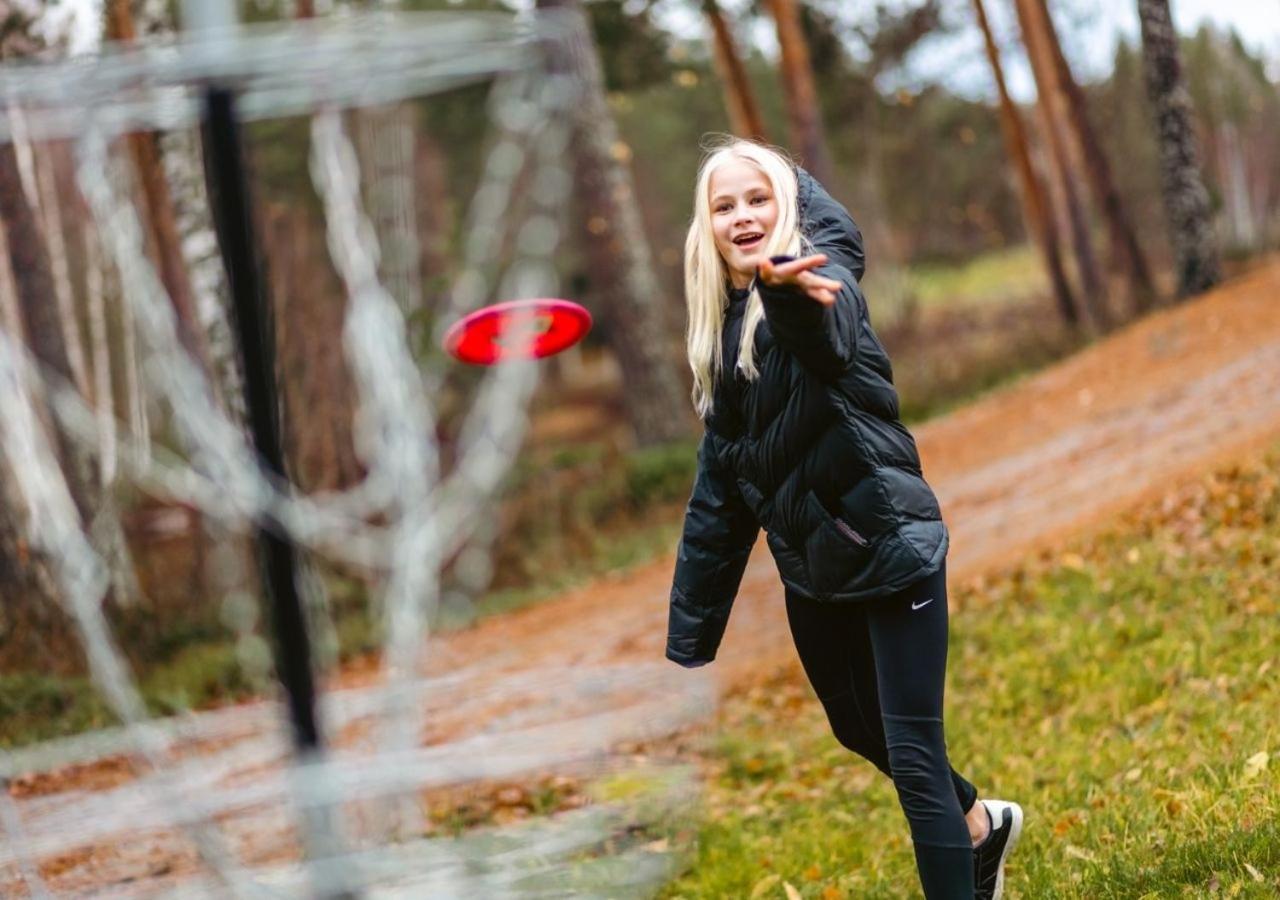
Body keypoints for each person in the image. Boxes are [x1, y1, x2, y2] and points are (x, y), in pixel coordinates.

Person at [664, 138, 1023, 899]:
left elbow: (823, 339)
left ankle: (963, 858)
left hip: (890, 544)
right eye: (724, 206)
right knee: (856, 726)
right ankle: (978, 832)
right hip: (815, 571)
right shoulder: (719, 337)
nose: (743, 216)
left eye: (757, 198)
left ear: (786, 205)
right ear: (707, 228)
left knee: (913, 751)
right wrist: (691, 633)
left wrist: (788, 292)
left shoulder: (822, 280)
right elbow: (720, 493)